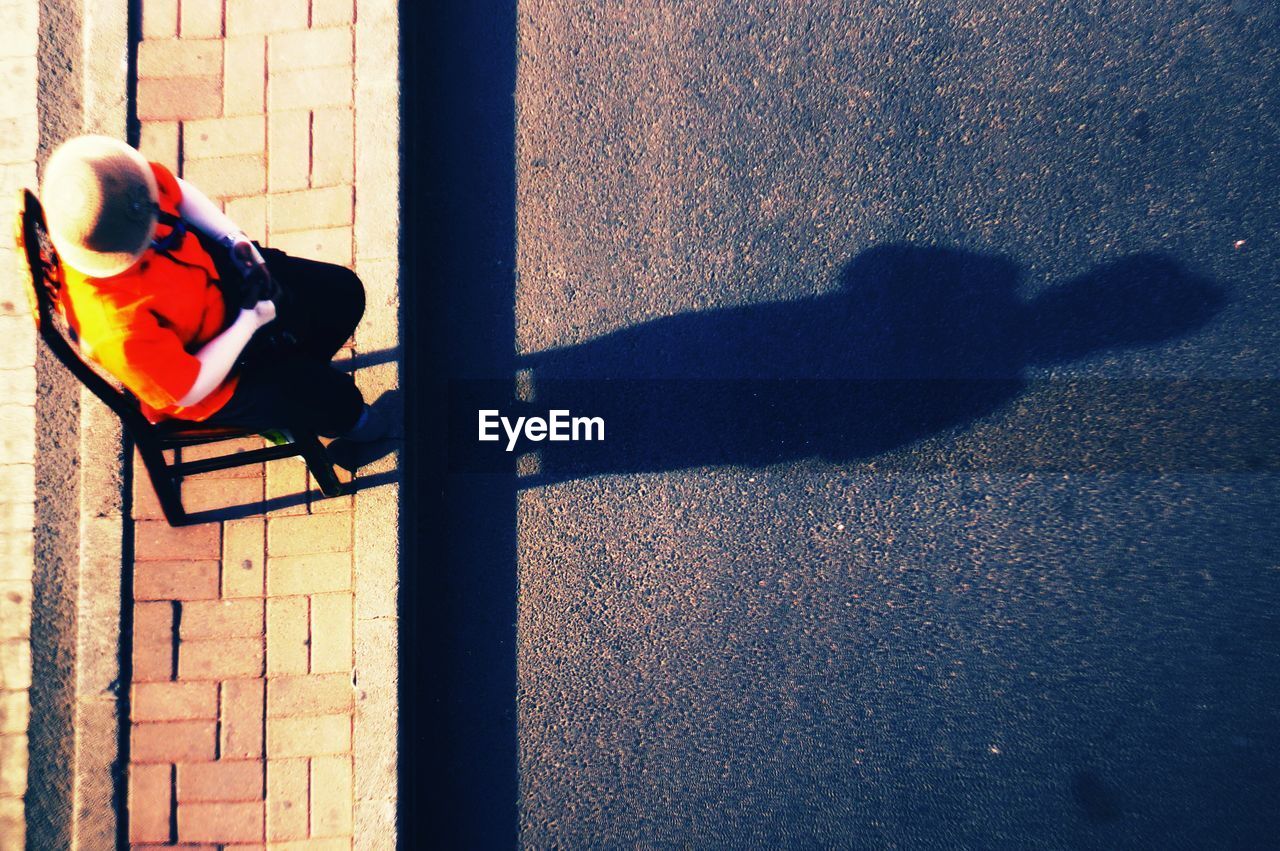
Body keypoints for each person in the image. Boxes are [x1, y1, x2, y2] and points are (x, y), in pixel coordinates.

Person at [39, 134, 387, 443]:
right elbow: (189, 389)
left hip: (226, 283)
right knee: (333, 399)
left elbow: (173, 188)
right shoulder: (113, 327)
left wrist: (236, 242)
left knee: (342, 292)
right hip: (216, 375)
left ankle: (298, 378)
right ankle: (342, 420)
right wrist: (249, 322)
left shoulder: (114, 184)